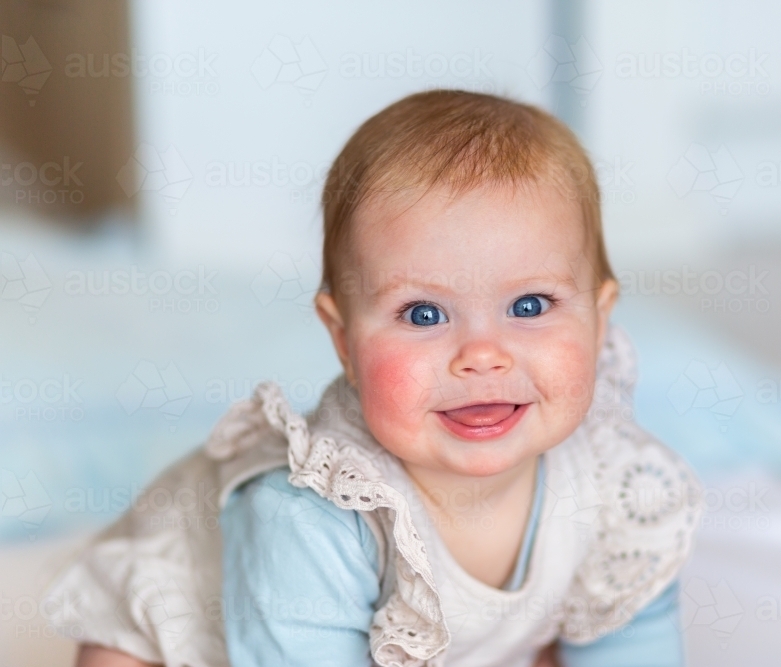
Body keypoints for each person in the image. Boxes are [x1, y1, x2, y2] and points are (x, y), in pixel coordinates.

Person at [46, 89, 703, 667]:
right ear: (343, 340)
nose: (482, 355)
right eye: (423, 313)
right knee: (120, 654)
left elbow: (631, 633)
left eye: (529, 306)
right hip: (224, 630)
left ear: (599, 318)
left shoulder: (616, 486)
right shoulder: (313, 516)